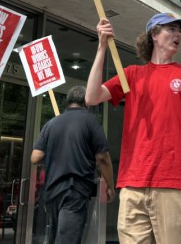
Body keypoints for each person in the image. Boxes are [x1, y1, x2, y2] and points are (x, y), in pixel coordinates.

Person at [85, 13, 181, 244]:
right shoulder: (132, 75)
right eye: (171, 29)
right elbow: (92, 96)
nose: (178, 34)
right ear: (154, 35)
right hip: (132, 185)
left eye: (180, 30)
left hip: (174, 183)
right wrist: (101, 48)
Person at [31, 85, 115, 243]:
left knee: (55, 237)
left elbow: (35, 157)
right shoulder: (90, 121)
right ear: (87, 102)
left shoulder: (51, 123)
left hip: (51, 192)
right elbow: (103, 157)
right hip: (74, 191)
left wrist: (57, 154)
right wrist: (110, 186)